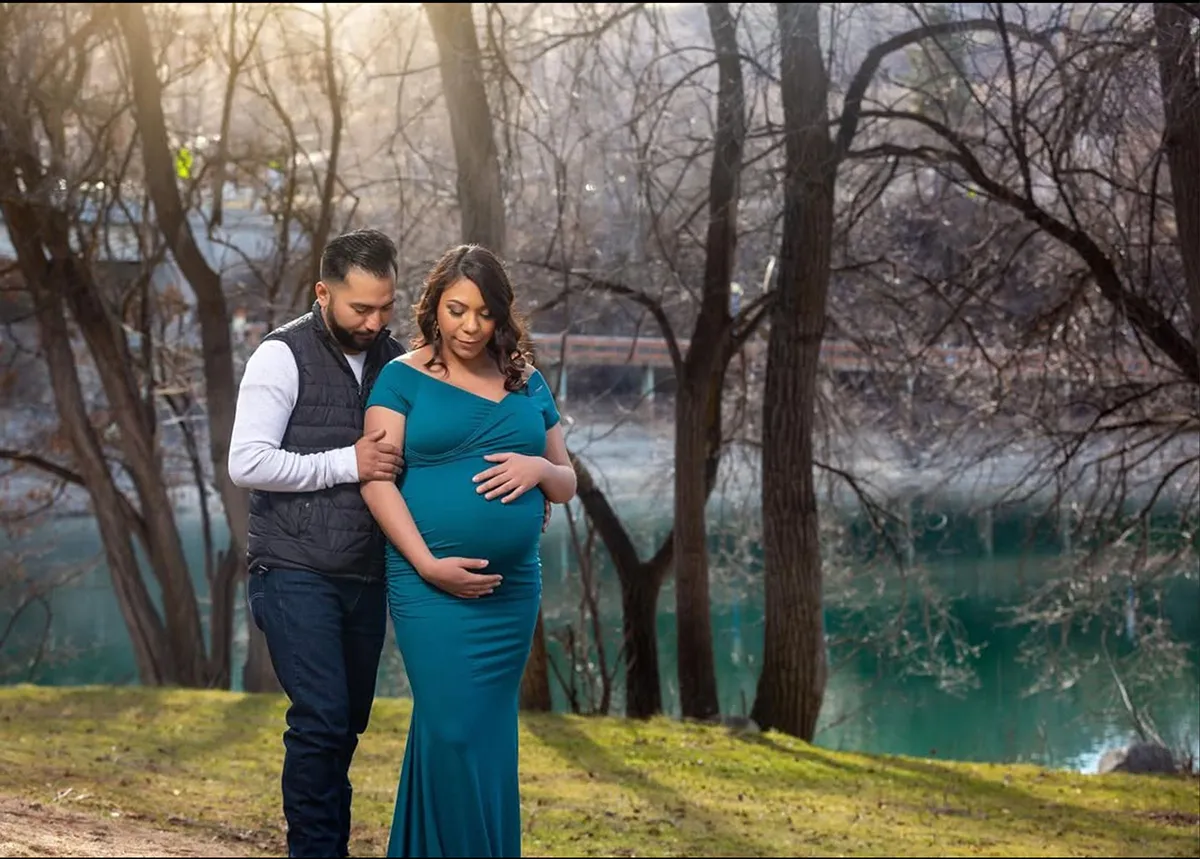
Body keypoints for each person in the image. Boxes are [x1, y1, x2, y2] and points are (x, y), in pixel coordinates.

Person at [361, 244, 577, 858]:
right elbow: (376, 480)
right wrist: (428, 564)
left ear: (501, 316)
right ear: (433, 308)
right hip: (427, 587)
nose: (470, 326)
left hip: (509, 595)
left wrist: (538, 466)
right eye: (457, 310)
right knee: (453, 729)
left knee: (481, 736)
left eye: (484, 314)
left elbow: (567, 482)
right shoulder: (401, 377)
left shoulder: (525, 379)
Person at [227, 228, 405, 858]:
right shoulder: (281, 355)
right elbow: (246, 463)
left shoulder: (398, 360)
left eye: (386, 306)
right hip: (292, 566)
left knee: (345, 727)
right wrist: (345, 463)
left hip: (366, 571)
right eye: (361, 308)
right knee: (321, 719)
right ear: (324, 293)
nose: (375, 321)